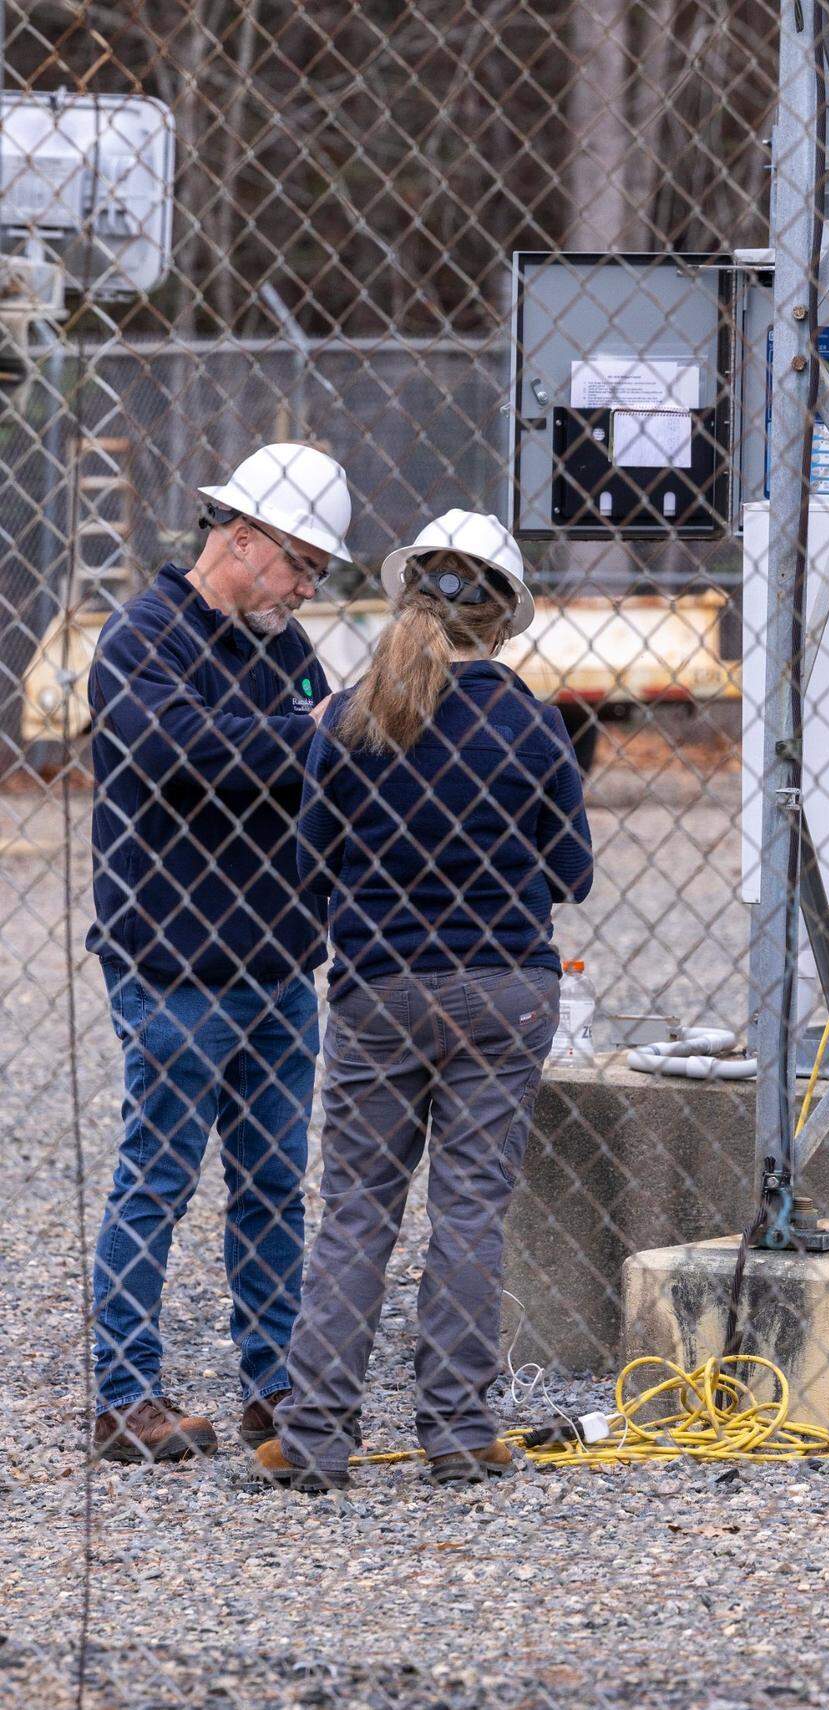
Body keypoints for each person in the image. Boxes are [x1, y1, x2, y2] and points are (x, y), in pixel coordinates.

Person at [254, 508, 593, 1491]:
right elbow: (570, 872)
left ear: (409, 599)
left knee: (357, 1210)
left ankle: (314, 1436)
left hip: (380, 989)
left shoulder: (357, 716)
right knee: (471, 1212)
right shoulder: (531, 723)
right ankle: (456, 1430)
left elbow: (310, 858)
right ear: (504, 619)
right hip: (504, 988)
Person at [88, 442, 353, 1463]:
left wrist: (302, 736)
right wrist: (305, 735)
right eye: (298, 565)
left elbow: (304, 759)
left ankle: (273, 1384)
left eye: (318, 575)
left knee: (274, 1184)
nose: (304, 588)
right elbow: (178, 754)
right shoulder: (141, 638)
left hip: (278, 963)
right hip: (171, 963)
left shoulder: (282, 648)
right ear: (241, 540)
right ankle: (125, 1395)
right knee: (156, 1179)